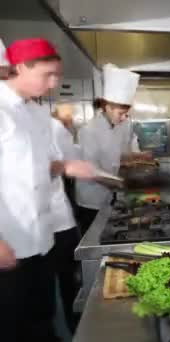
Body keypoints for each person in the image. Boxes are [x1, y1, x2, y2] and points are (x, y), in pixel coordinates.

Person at [0, 37, 95, 342]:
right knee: (12, 326)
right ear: (20, 68)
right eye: (47, 75)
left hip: (42, 238)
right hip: (8, 241)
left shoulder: (37, 114)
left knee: (41, 317)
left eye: (57, 75)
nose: (53, 84)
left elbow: (41, 166)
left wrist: (66, 167)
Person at [75, 64, 146, 234]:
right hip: (92, 201)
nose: (123, 118)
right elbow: (92, 171)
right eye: (120, 113)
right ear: (107, 106)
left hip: (116, 197)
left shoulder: (124, 124)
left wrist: (138, 159)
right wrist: (122, 184)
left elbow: (129, 150)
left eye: (126, 113)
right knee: (95, 238)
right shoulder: (88, 131)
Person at [49, 101, 82, 333]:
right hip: (46, 224)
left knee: (65, 278)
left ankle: (70, 327)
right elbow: (71, 164)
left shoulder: (53, 128)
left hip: (59, 221)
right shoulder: (52, 128)